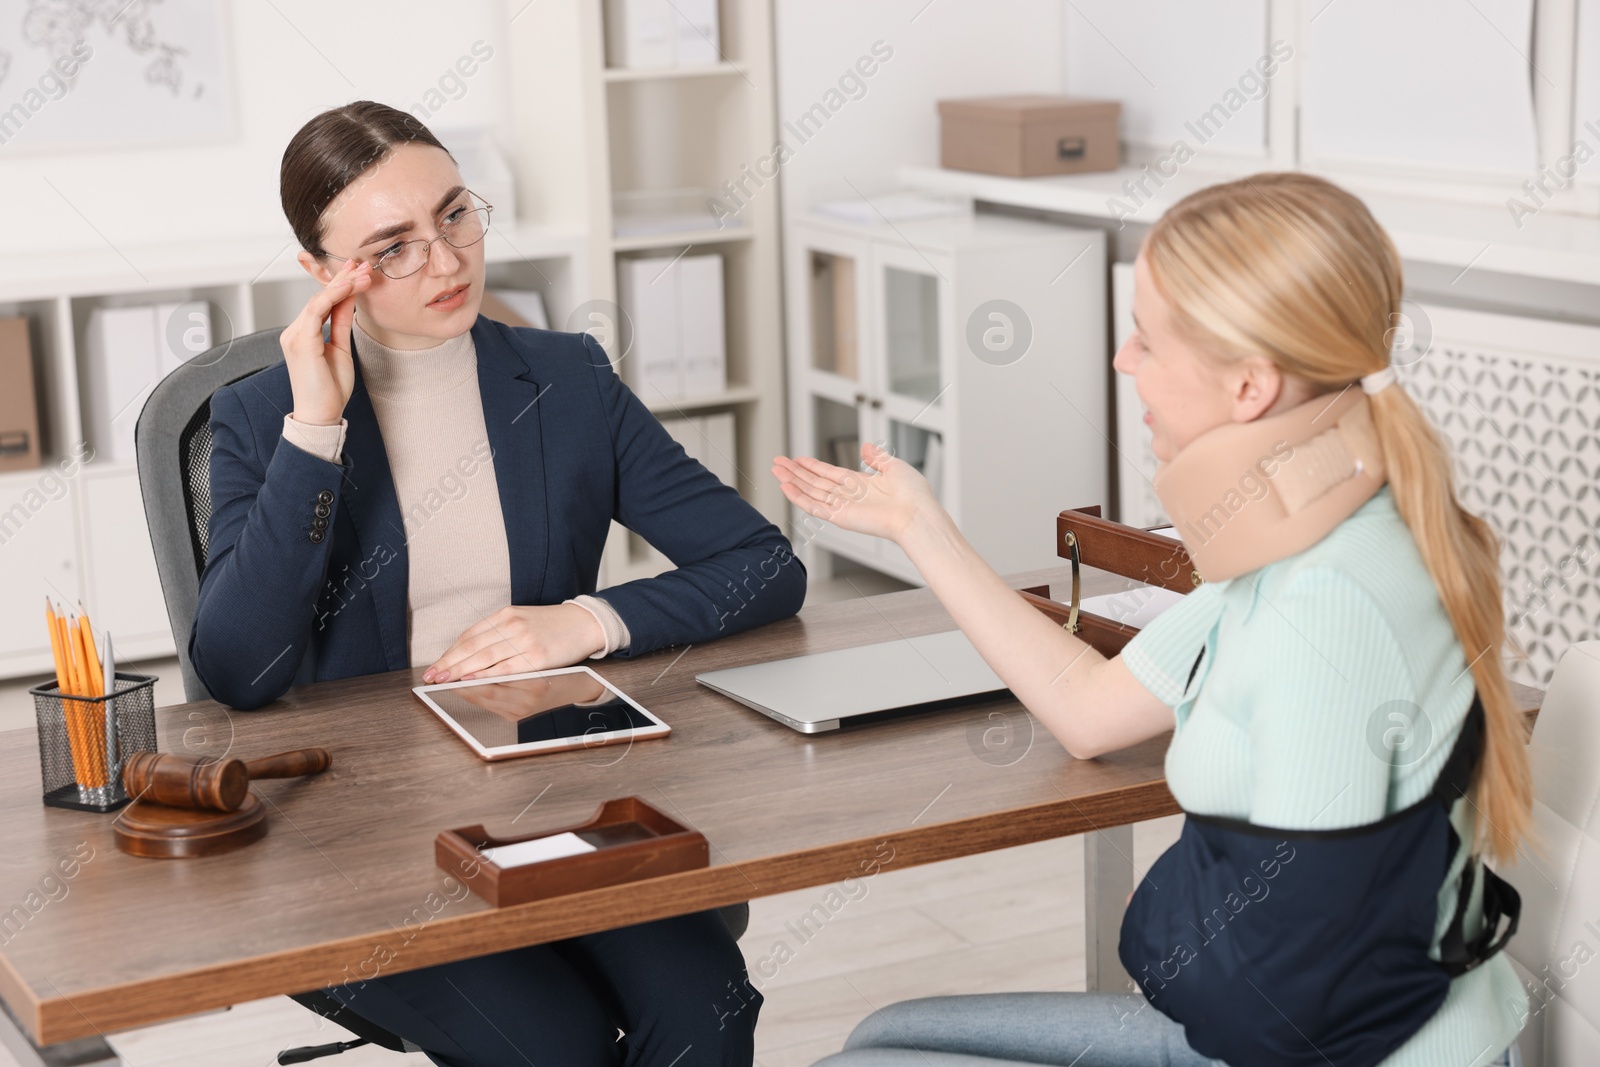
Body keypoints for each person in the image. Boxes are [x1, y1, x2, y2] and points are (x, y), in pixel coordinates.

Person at [774, 172, 1529, 1067]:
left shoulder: (1327, 605)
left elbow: (1303, 987)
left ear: (1250, 385)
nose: (1122, 360)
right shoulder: (1295, 533)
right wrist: (918, 526)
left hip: (1340, 1050)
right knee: (881, 1036)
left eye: (1146, 338)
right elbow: (1091, 711)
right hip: (1259, 1026)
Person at [190, 100, 805, 1067]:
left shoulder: (567, 378)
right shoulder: (263, 414)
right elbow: (237, 666)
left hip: (552, 793)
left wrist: (587, 620)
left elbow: (764, 564)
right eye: (390, 247)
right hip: (360, 835)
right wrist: (316, 429)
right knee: (553, 1042)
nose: (444, 261)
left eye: (454, 215)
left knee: (710, 1008)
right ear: (322, 274)